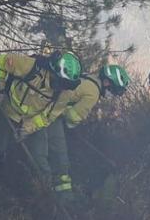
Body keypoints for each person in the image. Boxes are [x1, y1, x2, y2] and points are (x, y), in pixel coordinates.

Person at [0, 51, 83, 198]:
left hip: (32, 120)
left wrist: (28, 128)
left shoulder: (64, 93)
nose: (61, 87)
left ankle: (45, 192)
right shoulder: (30, 66)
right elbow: (0, 62)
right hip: (8, 110)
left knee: (39, 158)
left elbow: (48, 117)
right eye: (60, 81)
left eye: (65, 84)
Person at [44, 64, 130, 202]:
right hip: (50, 116)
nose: (111, 94)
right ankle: (65, 200)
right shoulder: (94, 93)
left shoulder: (88, 78)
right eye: (113, 90)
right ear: (107, 82)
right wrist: (72, 125)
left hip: (44, 106)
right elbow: (72, 118)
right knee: (61, 159)